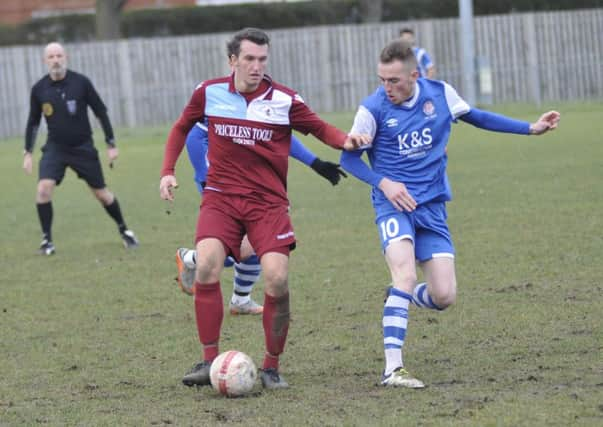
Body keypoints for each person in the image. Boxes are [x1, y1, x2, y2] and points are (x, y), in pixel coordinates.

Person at [340, 39, 560, 388]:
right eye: (382, 79)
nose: (387, 88)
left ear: (414, 75)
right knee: (405, 274)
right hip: (393, 205)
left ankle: (398, 296)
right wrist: (385, 184)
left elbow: (477, 117)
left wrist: (530, 128)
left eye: (394, 80)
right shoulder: (372, 108)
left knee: (444, 296)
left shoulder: (440, 94)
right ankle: (392, 369)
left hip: (432, 205)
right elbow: (348, 158)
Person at [159, 27, 369, 390]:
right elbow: (181, 128)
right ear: (232, 61)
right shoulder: (208, 93)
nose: (257, 67)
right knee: (207, 264)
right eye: (250, 59)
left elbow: (319, 128)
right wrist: (167, 172)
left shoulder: (284, 100)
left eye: (262, 59)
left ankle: (271, 366)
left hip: (267, 203)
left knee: (277, 277)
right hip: (221, 196)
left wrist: (345, 140)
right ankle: (209, 361)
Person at [175, 121, 348, 317]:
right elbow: (194, 139)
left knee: (259, 241)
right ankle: (192, 259)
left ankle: (239, 298)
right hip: (219, 182)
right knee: (239, 246)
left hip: (255, 177)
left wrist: (315, 163)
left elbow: (278, 134)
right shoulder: (213, 104)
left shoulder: (258, 100)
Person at [22, 42, 138, 255]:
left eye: (59, 55)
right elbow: (33, 122)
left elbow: (101, 112)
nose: (55, 60)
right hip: (55, 148)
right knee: (43, 189)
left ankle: (125, 231)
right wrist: (28, 151)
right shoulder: (39, 89)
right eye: (51, 57)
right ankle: (47, 241)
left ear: (65, 57)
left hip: (83, 148)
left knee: (102, 195)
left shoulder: (81, 83)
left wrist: (110, 143)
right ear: (45, 61)